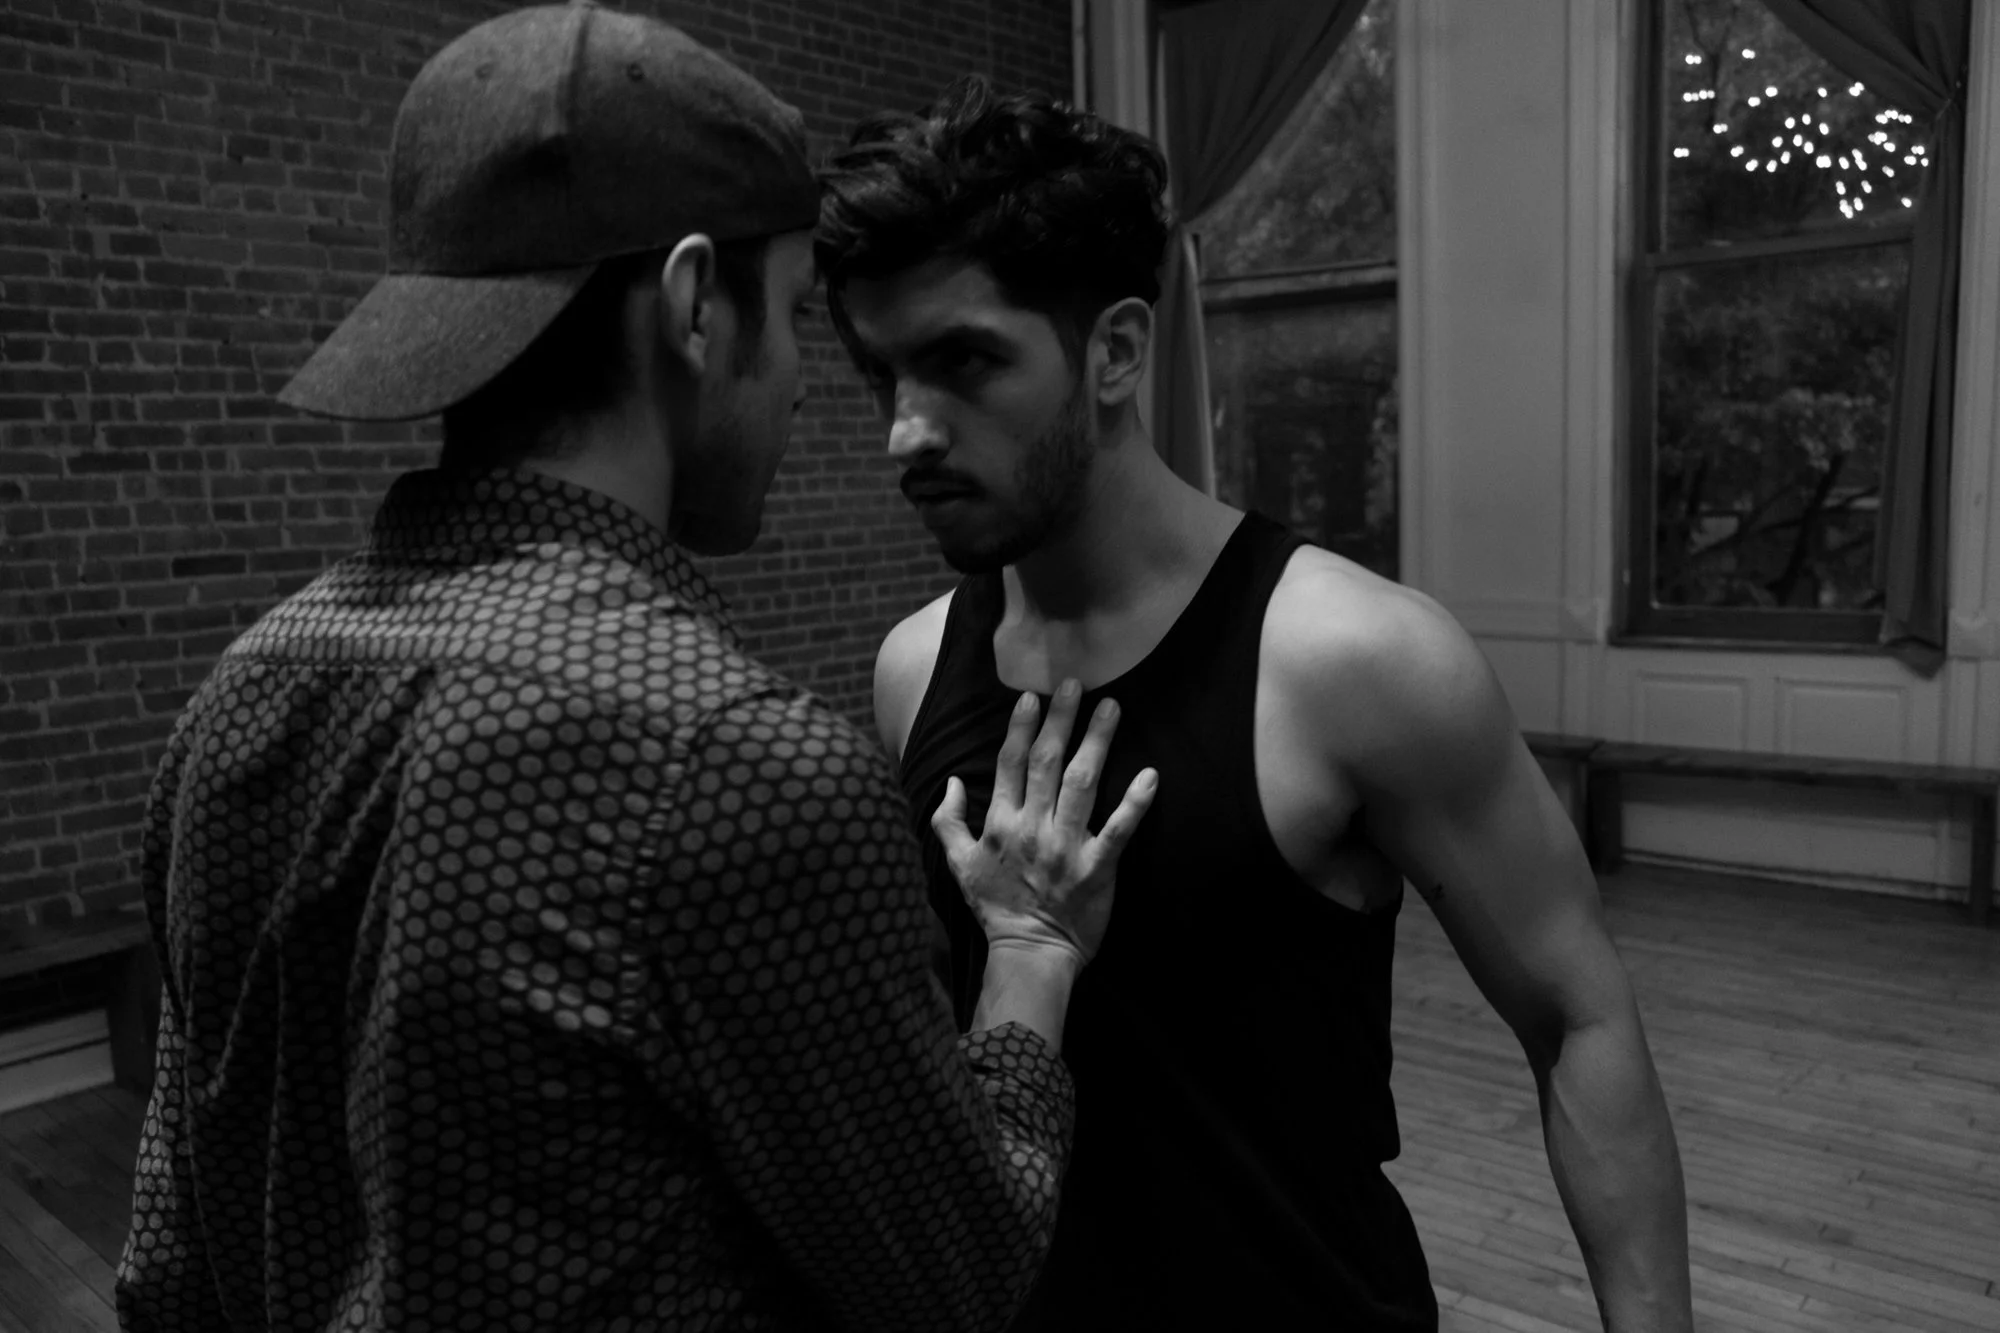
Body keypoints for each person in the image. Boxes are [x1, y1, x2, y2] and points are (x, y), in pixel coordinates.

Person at [114, 9, 1158, 1332]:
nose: (806, 395)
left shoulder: (234, 705)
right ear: (692, 307)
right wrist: (1030, 952)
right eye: (789, 316)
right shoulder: (729, 765)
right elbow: (956, 1272)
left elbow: (168, 1261)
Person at [819, 76, 1696, 1332]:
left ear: (1116, 350)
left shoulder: (1357, 660)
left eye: (963, 363)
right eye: (880, 373)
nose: (906, 431)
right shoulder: (912, 667)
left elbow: (1577, 1018)